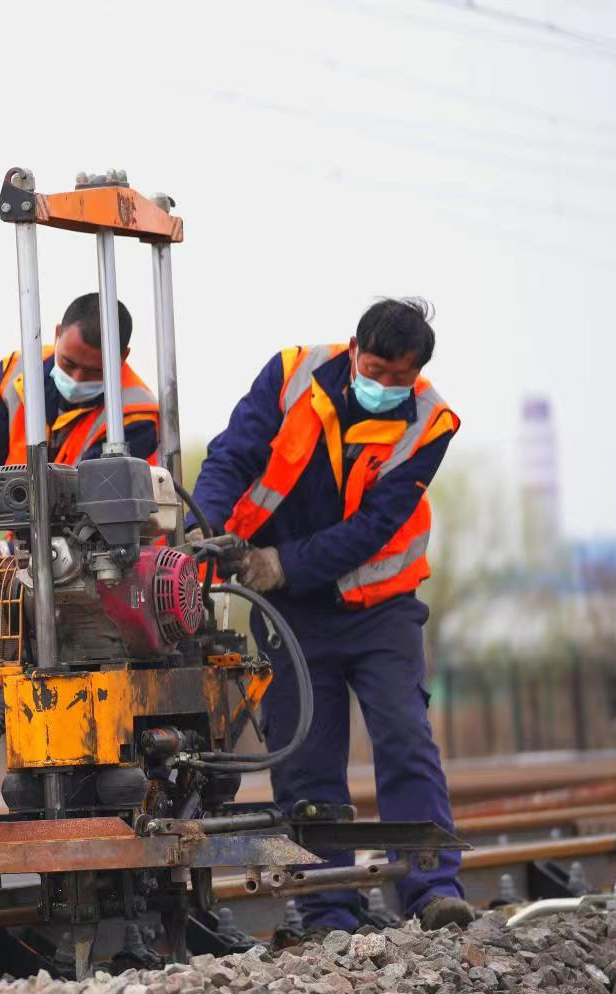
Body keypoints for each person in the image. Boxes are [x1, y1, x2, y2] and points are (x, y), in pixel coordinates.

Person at [193, 297, 474, 932]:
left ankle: (432, 891)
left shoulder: (430, 423)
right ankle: (327, 908)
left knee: (404, 738)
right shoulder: (291, 374)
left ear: (418, 372)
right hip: (292, 614)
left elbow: (374, 527)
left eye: (398, 377)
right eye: (374, 368)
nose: (382, 385)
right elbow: (232, 456)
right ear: (354, 348)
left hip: (380, 610)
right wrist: (199, 528)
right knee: (306, 760)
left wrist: (280, 563)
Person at [0, 293, 160, 577]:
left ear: (122, 357)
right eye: (68, 363)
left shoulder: (135, 413)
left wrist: (6, 556)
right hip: (31, 554)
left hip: (111, 567)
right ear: (57, 334)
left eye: (92, 371)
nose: (76, 379)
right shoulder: (14, 374)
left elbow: (88, 509)